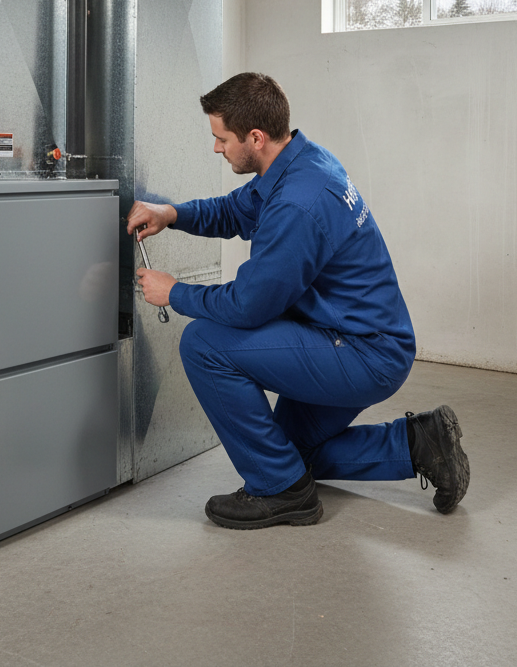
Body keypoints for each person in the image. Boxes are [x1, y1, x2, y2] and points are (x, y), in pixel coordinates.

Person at [126, 72, 469, 529]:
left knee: (203, 344)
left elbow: (248, 306)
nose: (216, 148)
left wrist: (175, 292)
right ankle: (419, 444)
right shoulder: (301, 162)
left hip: (363, 353)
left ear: (255, 136)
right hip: (362, 338)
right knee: (287, 448)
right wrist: (171, 213)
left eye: (221, 138)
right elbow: (236, 209)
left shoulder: (296, 204)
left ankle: (280, 491)